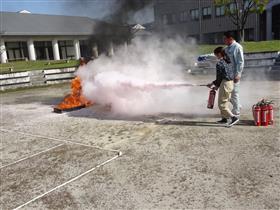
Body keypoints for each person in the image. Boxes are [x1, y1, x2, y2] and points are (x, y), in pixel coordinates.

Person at [207, 47, 239, 127]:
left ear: (218, 54)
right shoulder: (228, 61)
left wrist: (213, 84)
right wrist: (216, 86)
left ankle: (233, 118)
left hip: (225, 84)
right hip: (230, 84)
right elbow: (223, 76)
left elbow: (219, 77)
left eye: (216, 55)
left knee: (222, 104)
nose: (216, 56)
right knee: (225, 101)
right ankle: (224, 119)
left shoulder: (219, 63)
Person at [223, 31, 244, 116]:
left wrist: (238, 74)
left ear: (230, 39)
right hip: (228, 74)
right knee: (228, 93)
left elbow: (240, 62)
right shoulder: (226, 49)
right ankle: (238, 105)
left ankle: (236, 111)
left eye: (225, 39)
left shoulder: (237, 47)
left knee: (234, 93)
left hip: (235, 74)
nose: (223, 40)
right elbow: (220, 56)